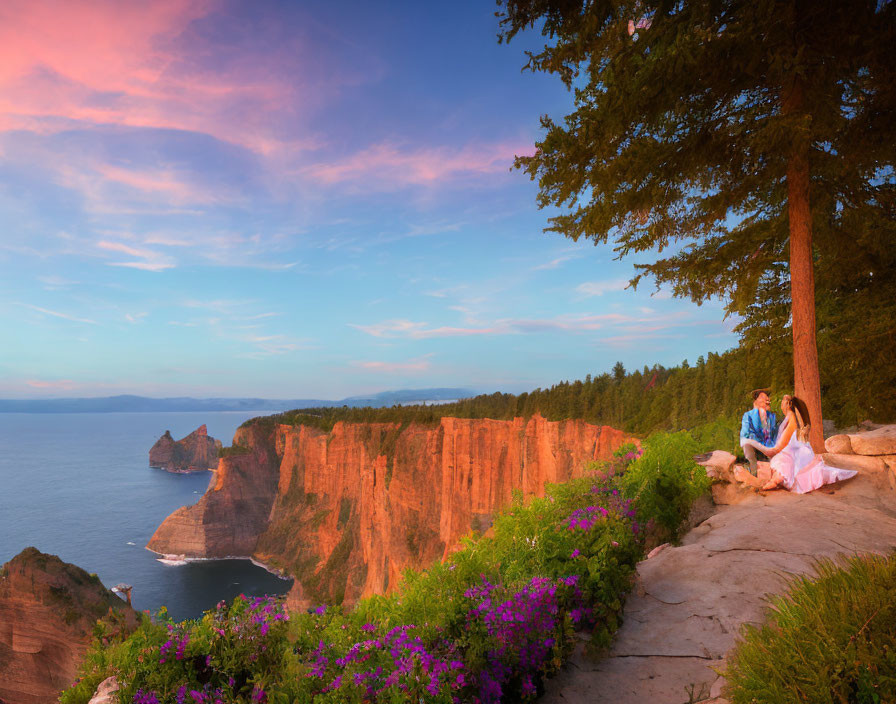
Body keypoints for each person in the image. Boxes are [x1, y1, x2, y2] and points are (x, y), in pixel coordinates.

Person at [758, 395, 858, 493]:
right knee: (782, 458)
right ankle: (775, 479)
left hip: (798, 452)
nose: (781, 405)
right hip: (796, 449)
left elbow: (782, 443)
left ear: (788, 405)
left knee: (782, 460)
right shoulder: (789, 418)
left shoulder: (792, 420)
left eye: (782, 402)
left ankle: (775, 481)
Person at [739, 389, 778, 475]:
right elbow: (745, 434)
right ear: (756, 401)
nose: (767, 399)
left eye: (767, 397)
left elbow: (773, 433)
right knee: (747, 445)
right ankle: (753, 474)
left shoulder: (772, 416)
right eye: (763, 397)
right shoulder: (749, 415)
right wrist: (757, 410)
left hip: (768, 445)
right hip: (753, 443)